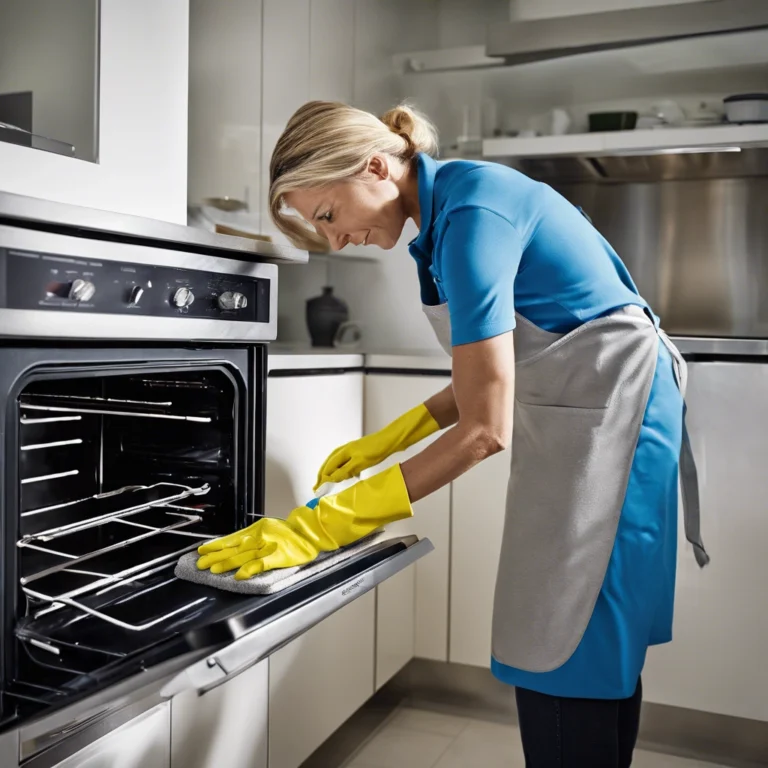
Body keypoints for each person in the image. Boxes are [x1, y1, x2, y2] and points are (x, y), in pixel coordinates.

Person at [196, 101, 708, 767]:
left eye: (325, 214)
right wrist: (396, 435)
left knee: (570, 627)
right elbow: (496, 370)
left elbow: (484, 429)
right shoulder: (443, 219)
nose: (333, 238)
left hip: (614, 418)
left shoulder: (474, 215)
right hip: (584, 410)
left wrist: (323, 525)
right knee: (578, 626)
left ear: (375, 167)